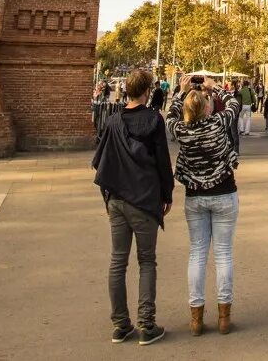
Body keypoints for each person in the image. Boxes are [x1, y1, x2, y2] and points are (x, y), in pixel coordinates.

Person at [91, 69, 173, 345]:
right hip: (144, 198)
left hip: (117, 199)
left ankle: (120, 325)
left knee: (117, 261)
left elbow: (102, 160)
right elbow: (163, 161)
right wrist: (167, 194)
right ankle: (147, 325)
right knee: (147, 261)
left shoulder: (113, 121)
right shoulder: (154, 120)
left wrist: (108, 197)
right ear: (148, 90)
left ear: (127, 90)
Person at [169, 75, 241, 335]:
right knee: (223, 254)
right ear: (207, 107)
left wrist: (181, 91)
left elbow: (170, 114)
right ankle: (224, 317)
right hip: (224, 193)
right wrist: (215, 87)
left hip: (195, 196)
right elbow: (234, 102)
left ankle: (196, 319)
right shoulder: (218, 123)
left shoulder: (180, 130)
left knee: (197, 254)